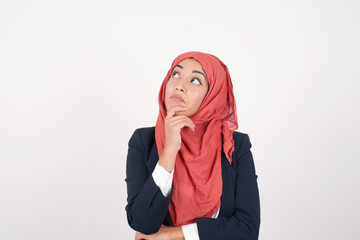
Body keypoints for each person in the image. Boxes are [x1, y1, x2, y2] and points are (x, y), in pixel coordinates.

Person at [125, 51, 260, 240]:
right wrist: (169, 150)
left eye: (195, 80)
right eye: (175, 74)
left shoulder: (236, 146)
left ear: (213, 95)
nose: (179, 86)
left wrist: (172, 234)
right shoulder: (143, 141)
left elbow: (247, 230)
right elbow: (142, 223)